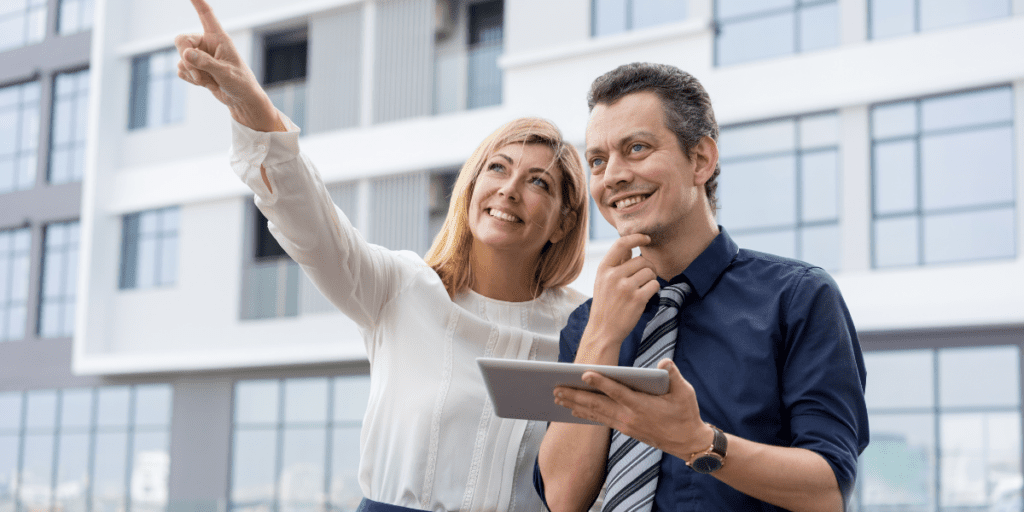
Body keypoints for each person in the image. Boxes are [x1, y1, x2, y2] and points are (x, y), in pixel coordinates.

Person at [173, 1, 591, 511]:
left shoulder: (583, 328)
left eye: (538, 182)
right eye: (497, 169)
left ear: (565, 220)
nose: (508, 190)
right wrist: (251, 102)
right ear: (473, 185)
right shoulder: (402, 288)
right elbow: (311, 223)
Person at [535, 62, 869, 512]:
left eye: (636, 148)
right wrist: (602, 336)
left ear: (701, 160)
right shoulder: (590, 323)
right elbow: (562, 498)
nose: (612, 174)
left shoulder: (799, 298)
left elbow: (828, 491)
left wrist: (697, 442)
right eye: (598, 160)